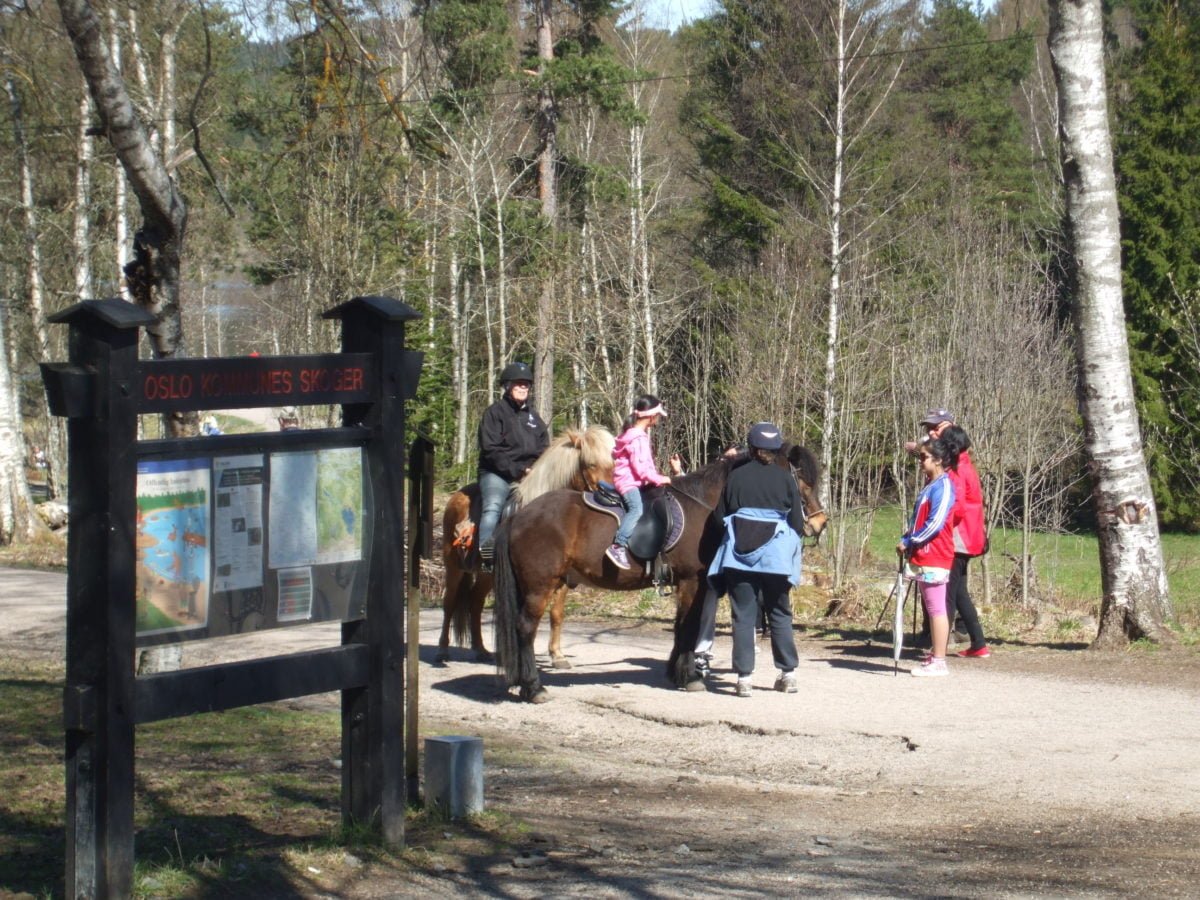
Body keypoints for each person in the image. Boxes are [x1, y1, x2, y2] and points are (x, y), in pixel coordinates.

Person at [707, 422, 804, 697]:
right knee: (779, 613)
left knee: (744, 616)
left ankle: (743, 679)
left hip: (739, 559)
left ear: (751, 447)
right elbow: (797, 523)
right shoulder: (786, 479)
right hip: (776, 559)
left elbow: (718, 519)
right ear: (776, 450)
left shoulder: (735, 478)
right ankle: (788, 675)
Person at [908, 409, 990, 657]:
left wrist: (935, 531)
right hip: (964, 536)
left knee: (945, 595)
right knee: (960, 591)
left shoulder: (955, 469)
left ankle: (938, 651)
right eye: (929, 430)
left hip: (956, 538)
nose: (931, 434)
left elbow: (956, 507)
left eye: (936, 430)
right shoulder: (962, 462)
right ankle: (979, 644)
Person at [477, 361, 549, 567]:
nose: (522, 388)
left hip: (530, 475)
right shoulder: (494, 413)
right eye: (518, 384)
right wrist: (518, 469)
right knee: (493, 505)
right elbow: (491, 450)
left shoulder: (534, 418)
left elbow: (545, 447)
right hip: (497, 473)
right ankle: (486, 554)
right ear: (507, 386)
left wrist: (537, 469)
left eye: (526, 384)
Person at [898, 436, 959, 677]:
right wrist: (908, 537)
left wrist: (911, 540)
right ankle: (936, 655)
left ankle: (940, 661)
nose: (921, 462)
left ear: (938, 460)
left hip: (936, 554)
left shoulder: (944, 486)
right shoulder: (931, 485)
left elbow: (935, 523)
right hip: (923, 555)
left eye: (924, 458)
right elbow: (920, 520)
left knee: (936, 608)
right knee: (932, 606)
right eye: (920, 457)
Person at [607, 395, 678, 570]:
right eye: (658, 415)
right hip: (628, 483)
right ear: (651, 416)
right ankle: (618, 545)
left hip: (632, 481)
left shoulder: (635, 435)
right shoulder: (638, 438)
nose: (659, 419)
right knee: (636, 509)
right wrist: (661, 478)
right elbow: (642, 470)